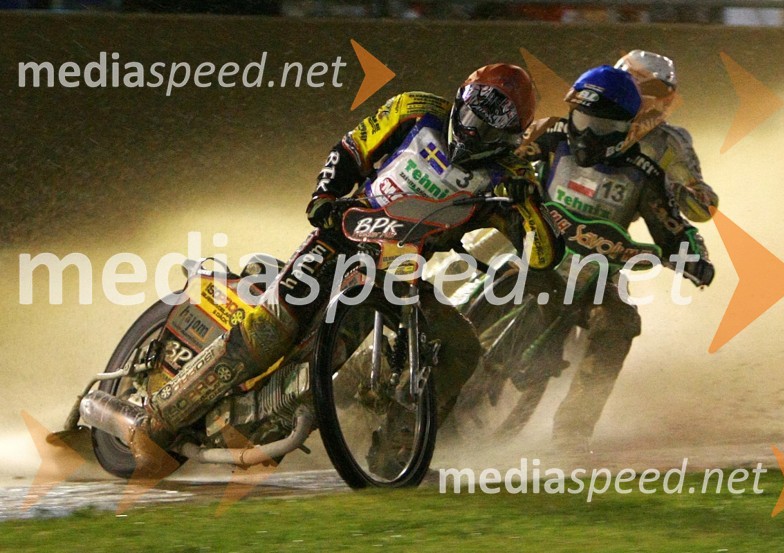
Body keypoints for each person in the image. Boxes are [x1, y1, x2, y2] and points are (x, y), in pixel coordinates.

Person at [125, 63, 555, 475]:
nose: (475, 131)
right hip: (341, 238)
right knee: (271, 330)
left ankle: (397, 453)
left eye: (492, 128)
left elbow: (543, 254)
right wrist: (325, 197)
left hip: (398, 274)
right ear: (461, 98)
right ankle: (157, 420)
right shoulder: (415, 108)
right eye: (474, 116)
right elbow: (351, 147)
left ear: (511, 137)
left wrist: (525, 202)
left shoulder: (512, 176)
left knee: (459, 345)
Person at [521, 65, 715, 454]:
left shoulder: (651, 165)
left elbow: (676, 223)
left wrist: (692, 253)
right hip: (529, 242)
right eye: (585, 120)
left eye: (604, 126)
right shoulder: (550, 132)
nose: (590, 134)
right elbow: (501, 158)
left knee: (619, 320)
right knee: (475, 252)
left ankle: (572, 430)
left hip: (598, 269)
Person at [615, 49, 718, 223]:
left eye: (659, 92)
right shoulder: (585, 120)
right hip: (562, 220)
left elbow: (704, 208)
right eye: (639, 89)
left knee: (691, 246)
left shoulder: (669, 142)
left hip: (607, 234)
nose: (651, 100)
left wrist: (674, 189)